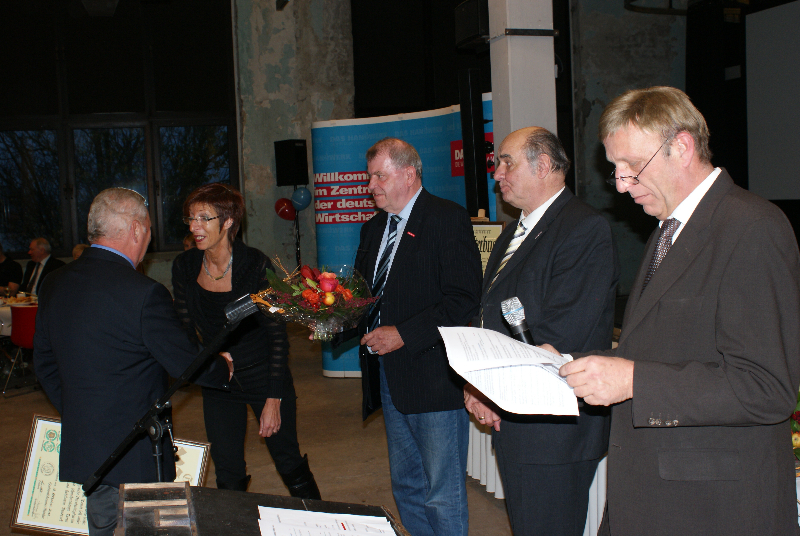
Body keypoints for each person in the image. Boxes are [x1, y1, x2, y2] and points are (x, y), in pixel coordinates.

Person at [557, 86, 800, 536]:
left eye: (632, 165)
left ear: (682, 147)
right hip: (653, 496)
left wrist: (633, 381)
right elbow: (663, 347)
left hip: (715, 510)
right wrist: (577, 364)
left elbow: (767, 387)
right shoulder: (668, 230)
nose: (621, 184)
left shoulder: (752, 227)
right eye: (615, 169)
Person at [33, 188, 231, 536]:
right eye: (150, 230)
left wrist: (81, 412)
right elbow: (185, 363)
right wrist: (223, 369)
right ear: (137, 230)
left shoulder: (55, 282)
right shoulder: (144, 293)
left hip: (89, 452)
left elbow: (45, 363)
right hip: (137, 457)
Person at [462, 127, 618, 536]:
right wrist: (478, 384)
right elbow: (491, 316)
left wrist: (491, 388)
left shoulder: (583, 229)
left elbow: (561, 335)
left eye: (507, 163)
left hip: (553, 431)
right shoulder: (514, 232)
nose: (497, 174)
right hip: (520, 421)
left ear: (543, 166)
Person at [354, 138, 482, 536]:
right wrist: (329, 317)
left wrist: (404, 334)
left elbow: (463, 299)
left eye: (380, 176)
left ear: (409, 174)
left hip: (433, 377)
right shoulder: (373, 228)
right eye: (370, 176)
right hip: (389, 377)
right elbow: (363, 296)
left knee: (442, 493)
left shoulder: (446, 218)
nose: (371, 185)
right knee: (406, 484)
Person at [171, 183, 320, 498]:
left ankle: (321, 520)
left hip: (263, 376)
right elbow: (185, 329)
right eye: (191, 218)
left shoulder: (255, 265)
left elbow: (277, 336)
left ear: (227, 222)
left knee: (287, 460)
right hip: (218, 381)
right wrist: (206, 363)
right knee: (227, 472)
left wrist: (274, 399)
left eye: (204, 218)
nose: (194, 226)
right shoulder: (184, 267)